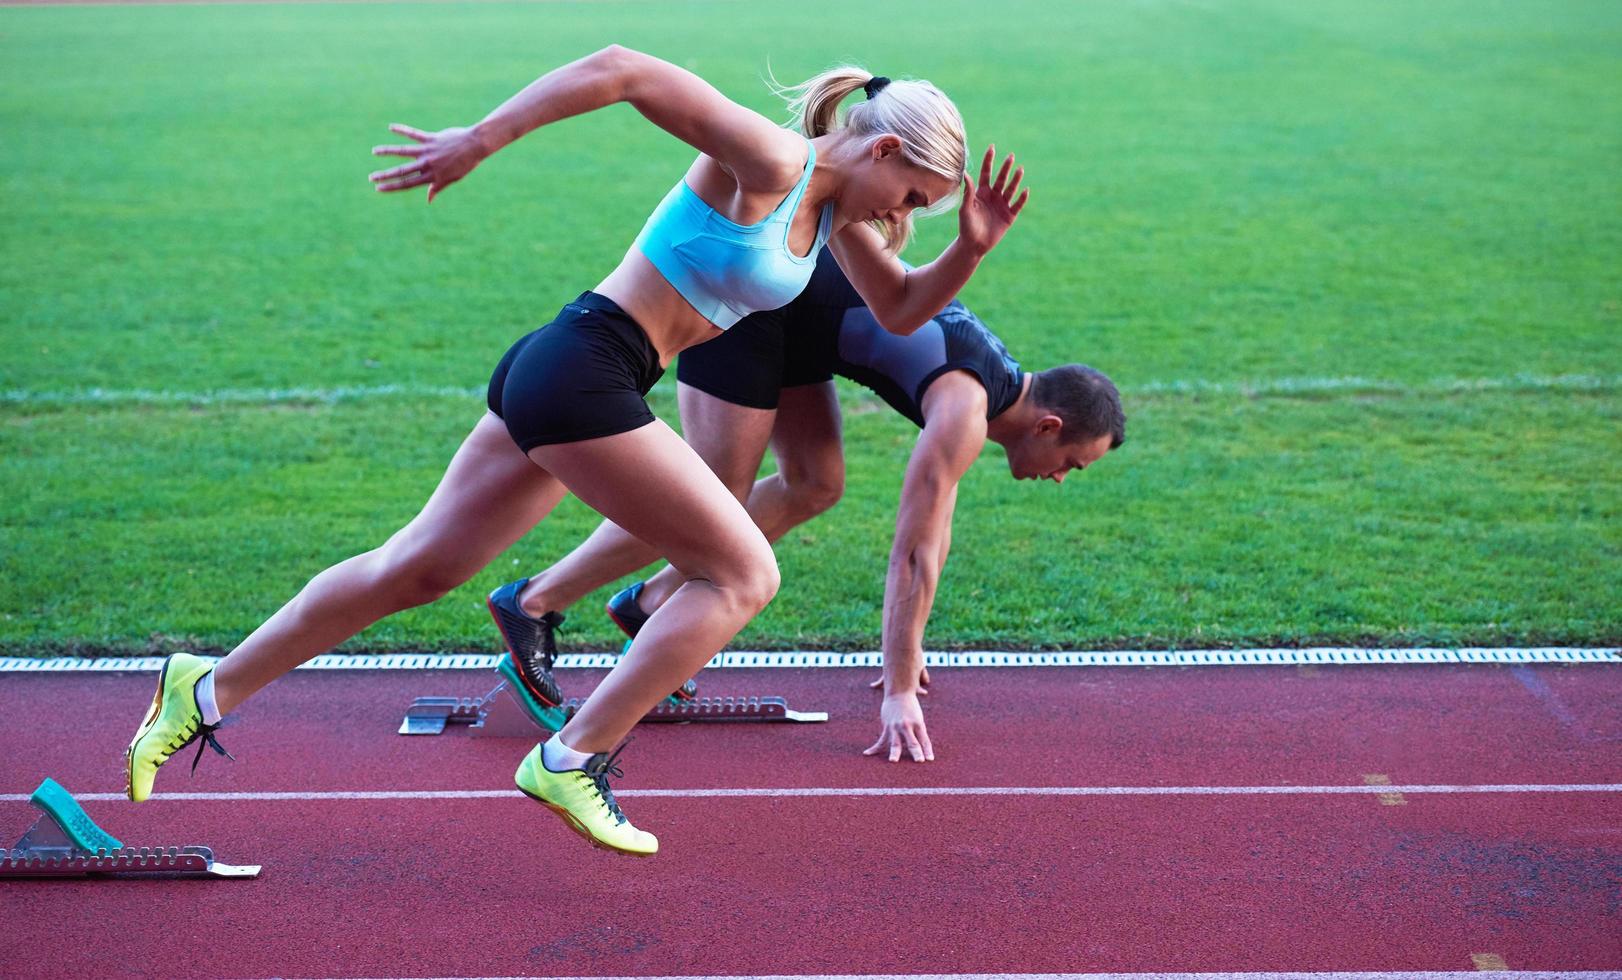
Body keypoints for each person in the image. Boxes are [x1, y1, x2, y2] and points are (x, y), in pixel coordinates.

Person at [122, 47, 1027, 856]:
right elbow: (623, 69)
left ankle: (202, 687)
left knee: (418, 569)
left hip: (575, 363)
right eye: (913, 197)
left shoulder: (839, 220)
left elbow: (904, 308)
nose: (909, 215)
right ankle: (572, 758)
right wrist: (481, 137)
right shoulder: (773, 160)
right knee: (744, 574)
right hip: (585, 369)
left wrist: (972, 249)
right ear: (884, 152)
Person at [491, 249, 1124, 763]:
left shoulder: (997, 382)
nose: (1062, 478)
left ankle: (649, 603)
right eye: (1072, 462)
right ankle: (534, 602)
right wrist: (900, 686)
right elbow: (915, 551)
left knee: (814, 482)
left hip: (803, 331)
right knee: (709, 502)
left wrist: (908, 647)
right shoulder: (964, 412)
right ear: (1047, 425)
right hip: (755, 307)